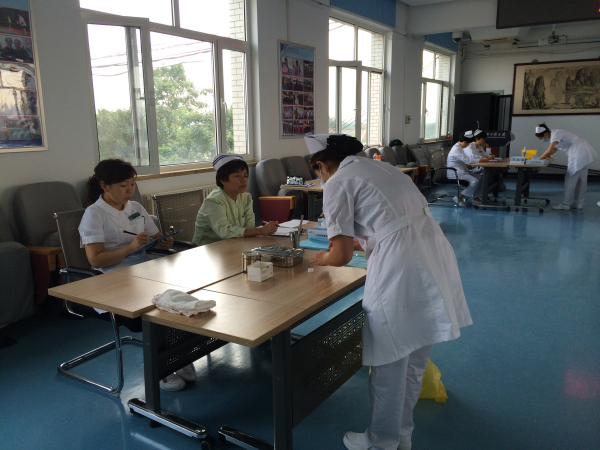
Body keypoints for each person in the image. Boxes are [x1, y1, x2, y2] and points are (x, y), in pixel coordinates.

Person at [305, 134, 472, 450]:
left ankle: (380, 442)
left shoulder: (338, 181)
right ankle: (401, 437)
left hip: (401, 269)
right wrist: (355, 242)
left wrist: (323, 257)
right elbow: (387, 224)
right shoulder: (383, 168)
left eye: (318, 172)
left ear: (321, 165)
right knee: (413, 359)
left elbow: (340, 256)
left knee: (388, 363)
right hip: (432, 255)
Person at [79, 158, 194, 392]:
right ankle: (162, 370)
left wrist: (163, 242)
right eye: (123, 185)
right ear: (105, 186)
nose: (129, 190)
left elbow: (154, 237)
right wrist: (130, 248)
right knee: (159, 310)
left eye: (132, 184)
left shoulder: (135, 208)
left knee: (182, 296)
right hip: (111, 277)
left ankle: (178, 355)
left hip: (143, 270)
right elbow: (96, 260)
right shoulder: (94, 214)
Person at [192, 154, 278, 246]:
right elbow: (225, 231)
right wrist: (260, 230)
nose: (243, 180)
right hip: (207, 249)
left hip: (234, 244)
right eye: (237, 176)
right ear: (223, 180)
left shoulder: (246, 198)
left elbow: (249, 227)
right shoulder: (213, 201)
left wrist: (263, 230)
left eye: (245, 175)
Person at [536, 123, 597, 210]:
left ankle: (565, 204)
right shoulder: (556, 135)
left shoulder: (556, 133)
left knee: (570, 179)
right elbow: (554, 149)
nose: (543, 140)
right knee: (582, 180)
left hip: (577, 152)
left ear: (545, 134)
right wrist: (545, 157)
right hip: (584, 151)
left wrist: (538, 159)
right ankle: (579, 203)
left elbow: (550, 150)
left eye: (542, 139)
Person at [447, 131, 487, 205]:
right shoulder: (456, 149)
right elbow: (468, 160)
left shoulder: (459, 147)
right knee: (475, 181)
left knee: (481, 178)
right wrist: (481, 160)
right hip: (455, 173)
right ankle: (459, 197)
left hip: (462, 171)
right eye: (468, 143)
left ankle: (476, 197)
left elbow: (466, 160)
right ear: (465, 142)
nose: (468, 145)